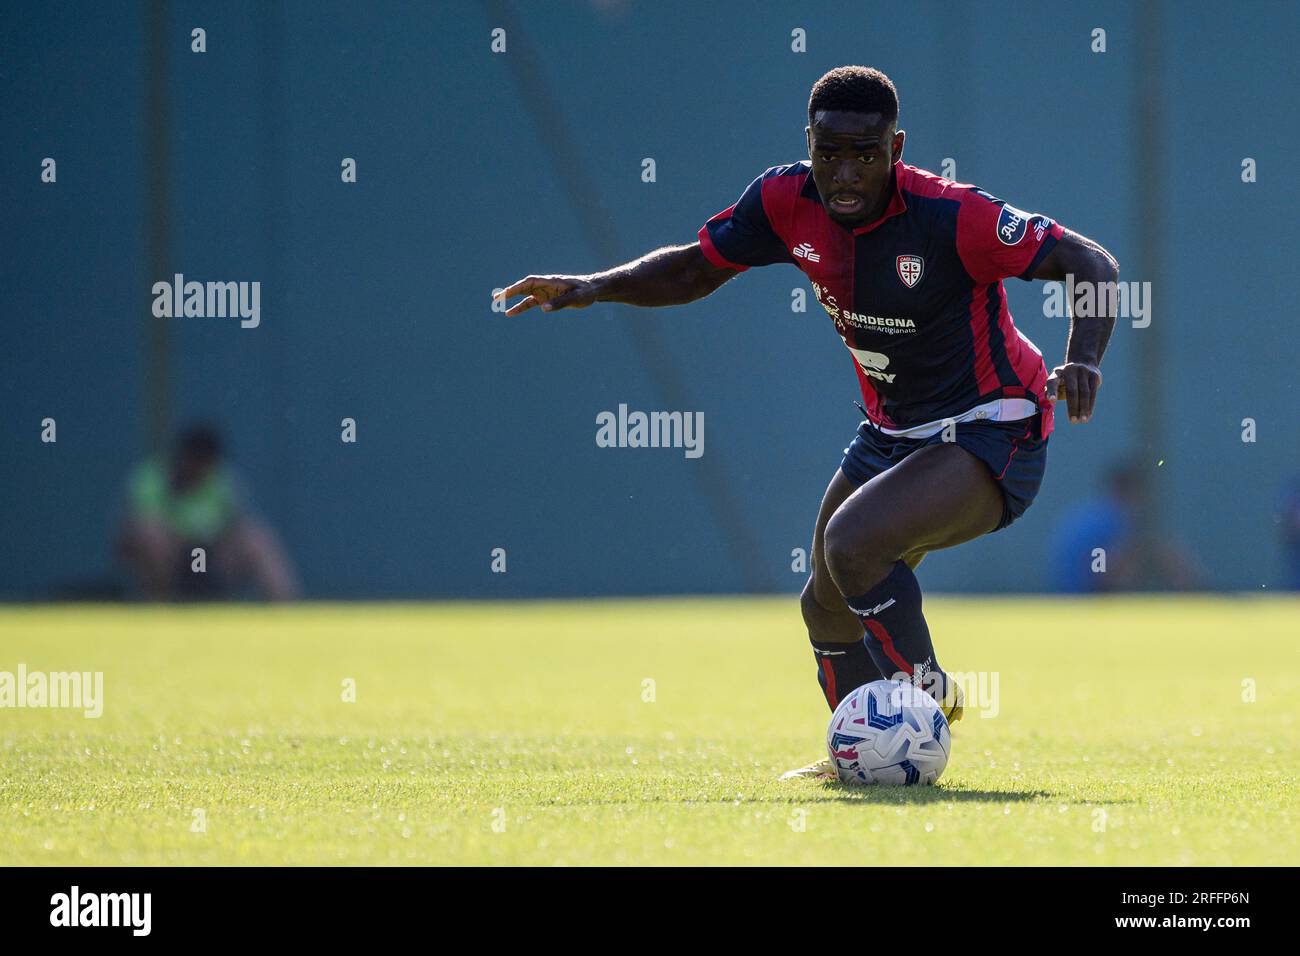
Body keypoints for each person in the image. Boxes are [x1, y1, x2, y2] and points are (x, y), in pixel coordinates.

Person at [498, 66, 1119, 778]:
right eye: (830, 154)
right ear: (810, 146)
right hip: (892, 433)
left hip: (993, 426)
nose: (846, 173)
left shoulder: (952, 215)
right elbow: (696, 270)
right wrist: (592, 288)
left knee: (851, 542)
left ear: (897, 147)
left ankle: (928, 691)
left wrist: (1086, 359)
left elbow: (1089, 261)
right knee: (824, 606)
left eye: (865, 153)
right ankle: (863, 755)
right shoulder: (784, 201)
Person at [118, 424, 299, 601]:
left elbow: (236, 526)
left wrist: (207, 551)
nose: (199, 470)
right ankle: (159, 606)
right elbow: (135, 531)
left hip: (209, 559)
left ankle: (286, 612)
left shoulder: (220, 483)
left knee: (256, 538)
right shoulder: (151, 480)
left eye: (205, 464)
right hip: (172, 561)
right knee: (151, 536)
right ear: (181, 458)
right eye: (195, 461)